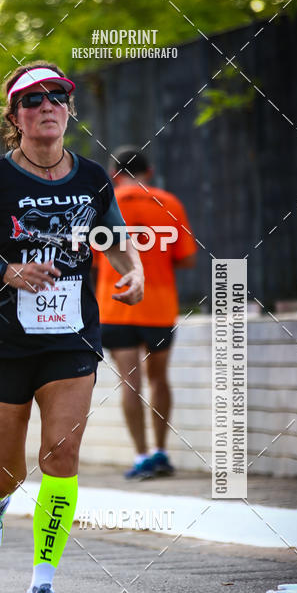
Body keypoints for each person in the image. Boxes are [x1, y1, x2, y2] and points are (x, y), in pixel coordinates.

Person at [0, 63, 144, 593]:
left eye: (57, 96)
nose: (47, 105)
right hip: (0, 341)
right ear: (16, 116)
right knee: (6, 470)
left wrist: (134, 270)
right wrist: (6, 271)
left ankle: (42, 589)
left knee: (61, 455)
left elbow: (115, 238)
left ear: (69, 109)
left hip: (69, 339)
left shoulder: (94, 177)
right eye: (32, 100)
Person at [93, 146, 197, 480]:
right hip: (159, 306)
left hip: (116, 304)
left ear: (113, 174)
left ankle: (141, 456)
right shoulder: (169, 203)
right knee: (159, 379)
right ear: (148, 172)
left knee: (129, 382)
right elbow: (187, 257)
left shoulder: (104, 205)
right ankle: (162, 452)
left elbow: (95, 259)